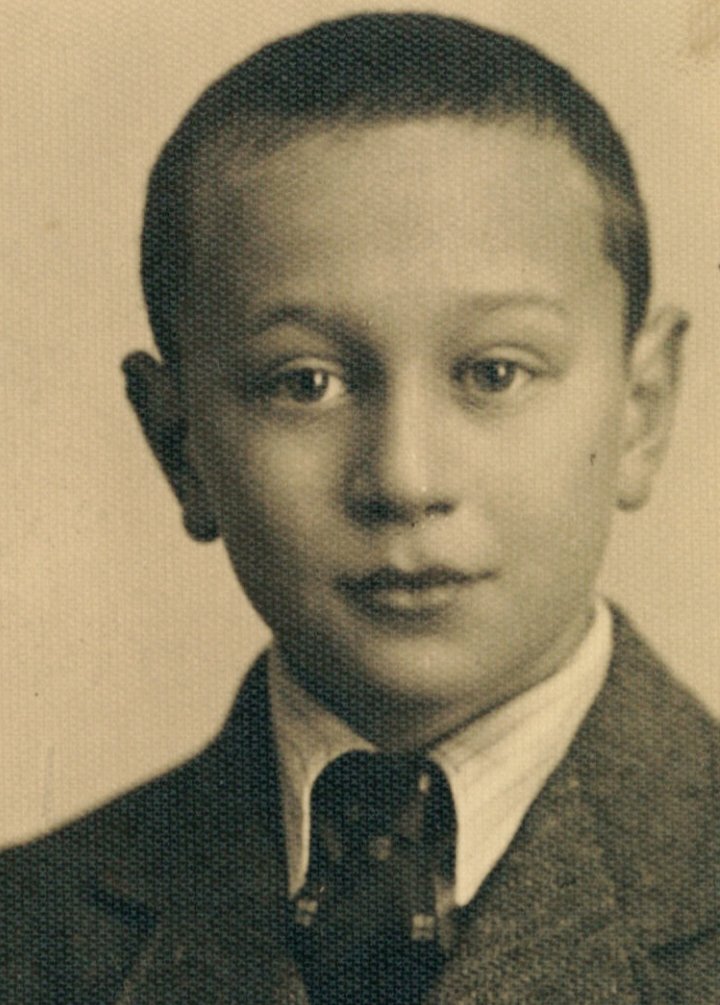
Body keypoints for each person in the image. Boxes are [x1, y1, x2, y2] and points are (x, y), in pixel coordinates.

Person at [1, 11, 718, 1003]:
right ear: (179, 444)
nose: (405, 480)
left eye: (495, 372)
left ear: (640, 410)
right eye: (306, 384)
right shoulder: (28, 935)